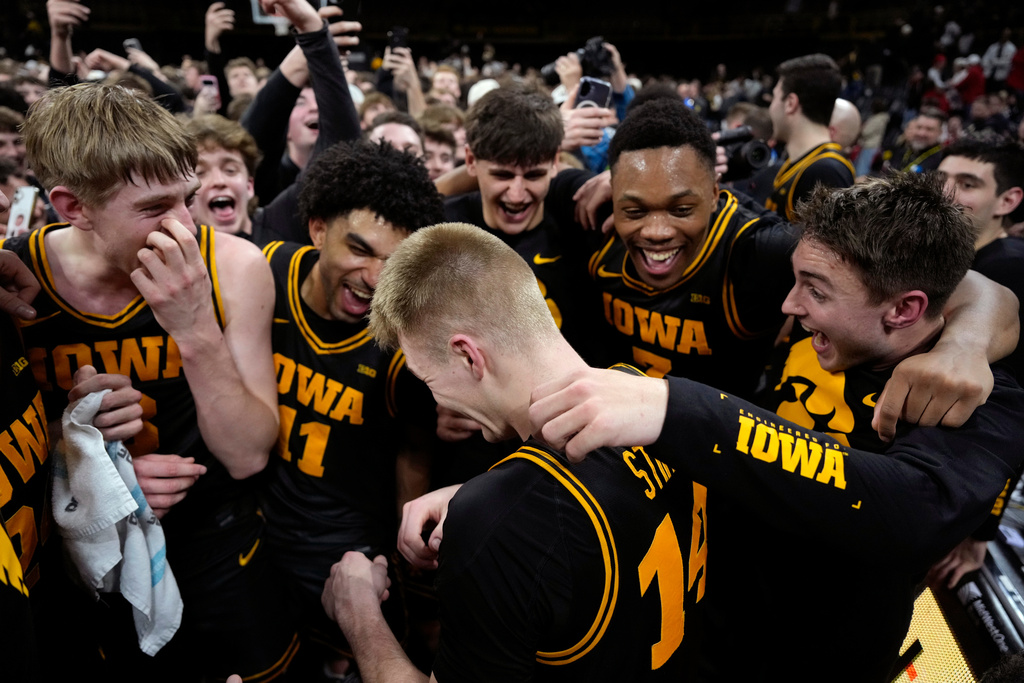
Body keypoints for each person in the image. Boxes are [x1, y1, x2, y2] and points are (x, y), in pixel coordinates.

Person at [530, 173, 1024, 682]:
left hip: (813, 661)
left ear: (903, 309)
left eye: (815, 291)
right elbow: (979, 288)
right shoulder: (840, 304)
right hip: (711, 619)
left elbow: (912, 507)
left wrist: (677, 409)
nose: (789, 305)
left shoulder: (979, 399)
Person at [323, 222, 706, 681]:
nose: (438, 401)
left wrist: (359, 613)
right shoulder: (653, 402)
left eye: (429, 381)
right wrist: (473, 495)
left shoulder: (495, 523)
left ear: (468, 356)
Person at [1, 83, 294, 682]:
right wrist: (86, 461)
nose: (184, 226)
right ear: (72, 205)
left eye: (186, 198)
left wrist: (195, 330)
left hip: (214, 540)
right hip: (74, 567)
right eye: (155, 208)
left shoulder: (234, 264)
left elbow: (247, 455)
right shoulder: (16, 279)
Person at [258, 139, 443, 676]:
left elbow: (414, 459)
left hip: (352, 563)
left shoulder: (403, 344)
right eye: (360, 249)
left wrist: (415, 579)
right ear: (317, 229)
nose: (376, 276)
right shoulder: (264, 273)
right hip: (257, 540)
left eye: (396, 261)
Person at [764, 54, 855, 221]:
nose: (771, 107)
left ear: (790, 103)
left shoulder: (826, 171)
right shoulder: (806, 161)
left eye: (775, 97)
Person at [878, 107, 946, 174]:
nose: (921, 133)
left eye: (929, 129)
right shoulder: (905, 150)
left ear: (939, 132)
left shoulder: (942, 161)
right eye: (919, 127)